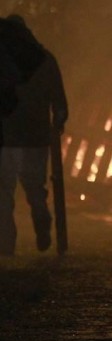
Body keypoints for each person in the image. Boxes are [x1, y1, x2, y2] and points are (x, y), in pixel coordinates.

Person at [0, 15, 68, 256]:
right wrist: (58, 122)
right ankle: (41, 218)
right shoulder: (45, 59)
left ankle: (6, 244)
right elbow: (59, 101)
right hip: (36, 138)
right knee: (35, 187)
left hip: (5, 139)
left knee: (3, 192)